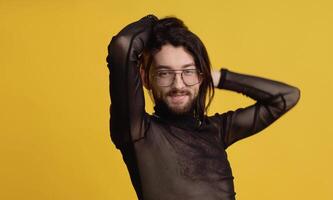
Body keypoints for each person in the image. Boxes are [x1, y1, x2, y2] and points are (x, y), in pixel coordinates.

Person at [106, 14, 300, 200]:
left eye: (188, 72)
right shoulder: (137, 132)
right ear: (146, 78)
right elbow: (122, 45)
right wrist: (155, 24)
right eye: (165, 73)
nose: (178, 85)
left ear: (201, 77)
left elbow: (286, 96)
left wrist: (219, 77)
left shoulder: (216, 131)